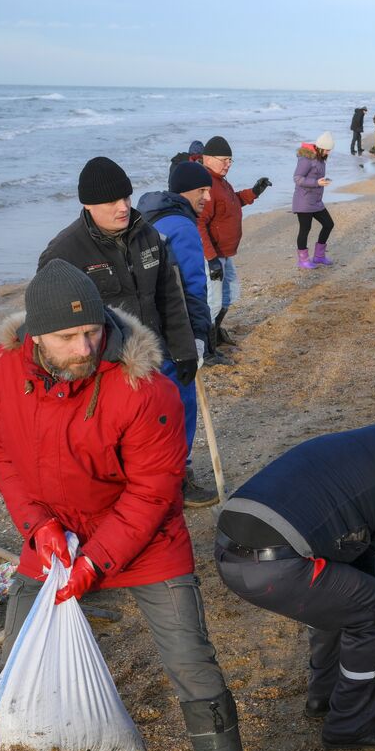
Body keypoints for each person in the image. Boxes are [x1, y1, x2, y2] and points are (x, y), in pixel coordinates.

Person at [0, 261, 272, 751]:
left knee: (193, 663)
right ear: (35, 335)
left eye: (92, 333)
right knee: (21, 660)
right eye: (67, 338)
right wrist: (37, 526)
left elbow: (153, 492)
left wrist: (95, 563)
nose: (84, 347)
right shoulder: (0, 371)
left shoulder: (145, 389)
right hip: (55, 535)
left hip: (146, 540)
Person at [215, 406, 375, 748]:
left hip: (233, 548)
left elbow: (359, 550)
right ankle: (351, 725)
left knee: (344, 601)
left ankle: (327, 698)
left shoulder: (365, 449)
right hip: (275, 560)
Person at [37, 156, 200, 431]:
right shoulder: (62, 253)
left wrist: (185, 351)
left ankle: (179, 469)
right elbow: (49, 327)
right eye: (111, 202)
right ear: (87, 204)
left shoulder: (149, 236)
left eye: (126, 197)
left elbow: (170, 297)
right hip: (105, 367)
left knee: (171, 419)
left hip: (155, 354)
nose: (123, 207)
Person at [135, 161, 221, 507]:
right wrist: (198, 338)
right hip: (174, 334)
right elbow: (192, 287)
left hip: (145, 329)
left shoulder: (146, 219)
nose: (208, 196)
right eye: (202, 190)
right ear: (184, 191)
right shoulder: (183, 227)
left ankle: (150, 477)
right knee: (180, 403)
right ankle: (179, 479)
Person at [197, 135, 272, 351]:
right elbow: (199, 223)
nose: (228, 164)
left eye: (230, 160)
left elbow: (232, 203)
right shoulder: (207, 185)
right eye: (224, 160)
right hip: (213, 255)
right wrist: (211, 259)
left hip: (226, 253)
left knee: (231, 294)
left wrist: (254, 192)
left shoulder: (221, 182)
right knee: (213, 303)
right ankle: (208, 350)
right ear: (207, 159)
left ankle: (216, 334)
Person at [293, 132, 335, 269]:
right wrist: (317, 182)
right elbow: (298, 178)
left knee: (328, 224)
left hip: (316, 201)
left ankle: (319, 256)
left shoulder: (321, 158)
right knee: (305, 229)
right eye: (327, 150)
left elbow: (316, 177)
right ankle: (303, 260)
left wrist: (322, 181)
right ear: (320, 147)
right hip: (304, 201)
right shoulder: (306, 159)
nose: (329, 153)